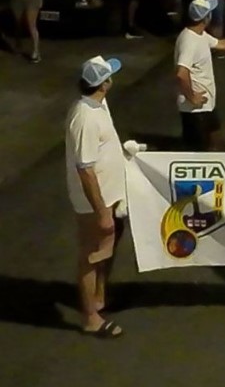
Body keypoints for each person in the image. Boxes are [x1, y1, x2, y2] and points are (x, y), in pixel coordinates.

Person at [66, 56, 129, 338]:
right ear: (103, 84)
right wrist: (102, 212)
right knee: (92, 255)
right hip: (95, 203)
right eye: (109, 75)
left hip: (109, 197)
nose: (112, 79)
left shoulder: (99, 104)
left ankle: (99, 299)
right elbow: (85, 169)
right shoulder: (85, 118)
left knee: (106, 249)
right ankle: (91, 318)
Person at [174, 0, 225, 152]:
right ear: (206, 18)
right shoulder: (189, 41)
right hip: (195, 111)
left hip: (206, 106)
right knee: (199, 152)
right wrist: (192, 97)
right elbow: (181, 74)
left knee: (216, 143)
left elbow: (222, 44)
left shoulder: (201, 35)